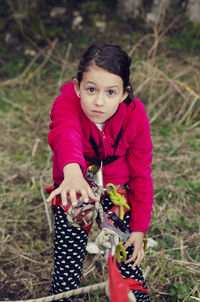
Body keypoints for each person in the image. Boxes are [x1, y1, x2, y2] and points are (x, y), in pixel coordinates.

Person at [47, 44, 153, 302]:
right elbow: (65, 132)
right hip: (75, 184)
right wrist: (72, 172)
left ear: (124, 93)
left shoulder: (135, 114)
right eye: (91, 89)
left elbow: (141, 173)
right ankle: (64, 294)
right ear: (77, 87)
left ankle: (132, 294)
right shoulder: (66, 102)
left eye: (110, 92)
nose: (98, 101)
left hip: (117, 191)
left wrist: (139, 230)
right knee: (67, 262)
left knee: (127, 257)